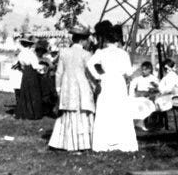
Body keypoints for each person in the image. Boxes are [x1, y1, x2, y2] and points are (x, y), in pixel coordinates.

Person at [86, 23, 138, 152]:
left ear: (107, 40)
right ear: (118, 40)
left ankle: (103, 143)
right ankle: (122, 142)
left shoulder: (101, 52)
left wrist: (98, 76)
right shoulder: (123, 54)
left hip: (106, 81)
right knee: (119, 110)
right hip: (118, 83)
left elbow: (89, 64)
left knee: (105, 109)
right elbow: (128, 72)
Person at [48, 25, 95, 151]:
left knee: (68, 113)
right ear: (83, 40)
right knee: (80, 113)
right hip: (81, 87)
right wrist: (95, 86)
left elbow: (59, 73)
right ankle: (81, 144)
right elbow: (90, 73)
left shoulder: (64, 52)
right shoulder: (86, 54)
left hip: (67, 86)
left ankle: (64, 142)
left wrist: (58, 89)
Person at [14, 35, 44, 120]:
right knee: (33, 93)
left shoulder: (20, 54)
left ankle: (25, 112)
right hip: (32, 73)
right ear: (29, 45)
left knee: (25, 92)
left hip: (25, 73)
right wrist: (42, 67)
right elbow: (35, 66)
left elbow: (22, 65)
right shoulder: (31, 54)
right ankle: (33, 113)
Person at [129, 61, 159, 130]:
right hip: (139, 97)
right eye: (142, 69)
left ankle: (140, 122)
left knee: (142, 105)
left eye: (145, 70)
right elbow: (132, 86)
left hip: (148, 98)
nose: (143, 71)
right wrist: (133, 95)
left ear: (150, 70)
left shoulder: (153, 79)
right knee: (132, 103)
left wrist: (152, 91)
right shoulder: (138, 78)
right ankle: (135, 122)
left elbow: (157, 89)